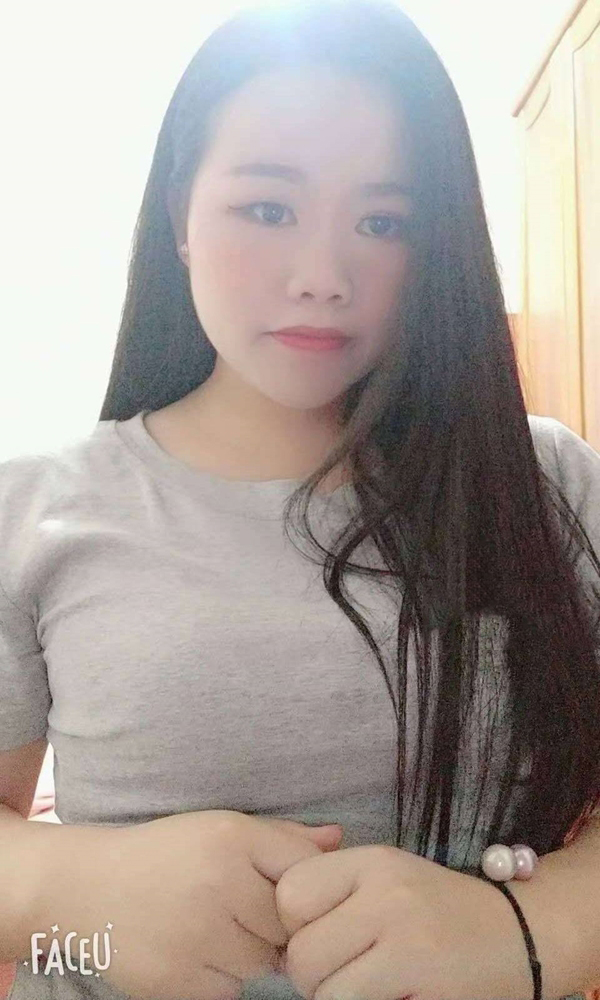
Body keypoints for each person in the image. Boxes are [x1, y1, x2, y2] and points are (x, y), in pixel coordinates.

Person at [1, 1, 600, 999]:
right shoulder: (30, 509)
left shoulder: (546, 485)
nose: (323, 278)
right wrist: (63, 889)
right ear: (181, 218)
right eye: (268, 209)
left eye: (383, 222)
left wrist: (536, 931)